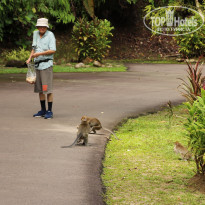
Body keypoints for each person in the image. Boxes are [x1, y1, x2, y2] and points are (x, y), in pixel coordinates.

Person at [26, 18, 56, 119]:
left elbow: (52, 50)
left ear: (46, 27)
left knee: (47, 89)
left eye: (44, 26)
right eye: (40, 26)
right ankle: (43, 110)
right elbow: (33, 48)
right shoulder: (35, 34)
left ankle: (49, 111)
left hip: (46, 65)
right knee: (40, 89)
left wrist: (39, 54)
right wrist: (30, 58)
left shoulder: (50, 35)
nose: (42, 28)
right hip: (37, 65)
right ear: (37, 27)